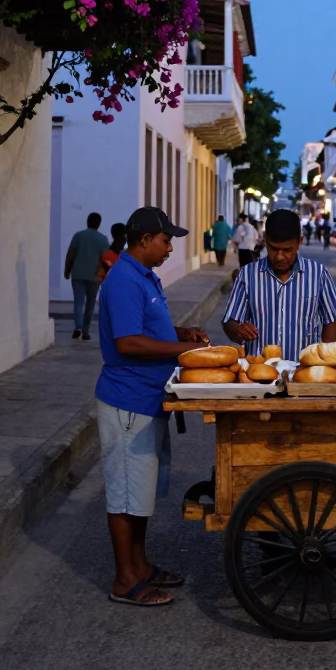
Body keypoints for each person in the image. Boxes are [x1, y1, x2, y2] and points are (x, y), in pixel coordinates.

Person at [95, 206, 210, 607]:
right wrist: (184, 349)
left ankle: (140, 566)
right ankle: (125, 580)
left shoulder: (144, 277)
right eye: (166, 240)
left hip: (148, 398)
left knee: (140, 491)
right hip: (128, 401)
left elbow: (147, 327)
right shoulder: (124, 279)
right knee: (126, 494)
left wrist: (182, 332)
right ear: (145, 240)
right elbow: (128, 343)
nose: (169, 247)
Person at [222, 208, 336, 359]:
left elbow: (332, 321)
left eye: (287, 250)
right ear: (265, 240)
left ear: (299, 242)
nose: (279, 257)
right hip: (259, 372)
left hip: (302, 373)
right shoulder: (246, 275)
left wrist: (327, 362)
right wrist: (238, 329)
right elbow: (230, 321)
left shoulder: (319, 274)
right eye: (273, 249)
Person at [64, 212, 110, 341]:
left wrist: (67, 270)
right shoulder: (102, 239)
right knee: (90, 304)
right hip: (94, 276)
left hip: (78, 273)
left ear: (87, 221)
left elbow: (70, 254)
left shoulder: (78, 236)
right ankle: (85, 330)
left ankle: (78, 327)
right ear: (99, 224)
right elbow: (105, 259)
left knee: (78, 302)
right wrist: (103, 275)